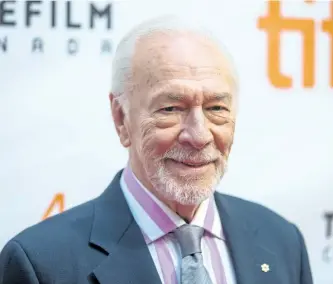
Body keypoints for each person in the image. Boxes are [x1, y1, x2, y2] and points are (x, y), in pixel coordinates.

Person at [0, 15, 313, 284]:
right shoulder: (41, 264)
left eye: (216, 107)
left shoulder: (283, 241)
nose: (199, 135)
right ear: (121, 118)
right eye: (171, 108)